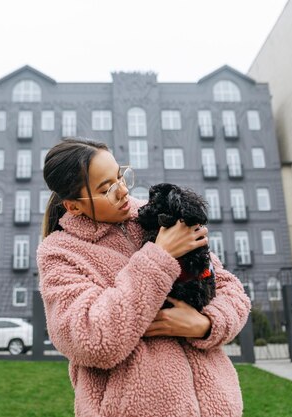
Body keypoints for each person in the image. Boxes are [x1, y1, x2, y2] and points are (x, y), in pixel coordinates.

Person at [37, 138, 251, 417]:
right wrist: (160, 256)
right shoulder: (60, 253)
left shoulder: (158, 216)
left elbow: (229, 289)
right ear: (74, 206)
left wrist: (205, 325)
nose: (123, 191)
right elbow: (91, 338)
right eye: (107, 189)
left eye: (120, 176)